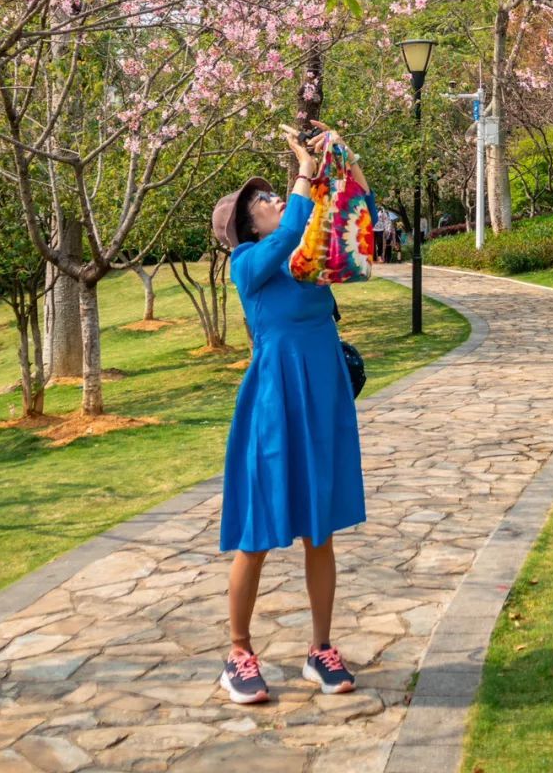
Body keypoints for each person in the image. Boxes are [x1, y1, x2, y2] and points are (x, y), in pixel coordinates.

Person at [209, 122, 370, 705]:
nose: (275, 199)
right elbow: (291, 228)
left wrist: (339, 154)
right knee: (256, 533)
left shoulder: (307, 257)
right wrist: (302, 172)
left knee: (319, 531)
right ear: (246, 225)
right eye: (262, 200)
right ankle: (238, 653)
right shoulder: (249, 264)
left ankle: (320, 649)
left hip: (321, 397)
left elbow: (358, 214)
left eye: (274, 194)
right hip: (275, 405)